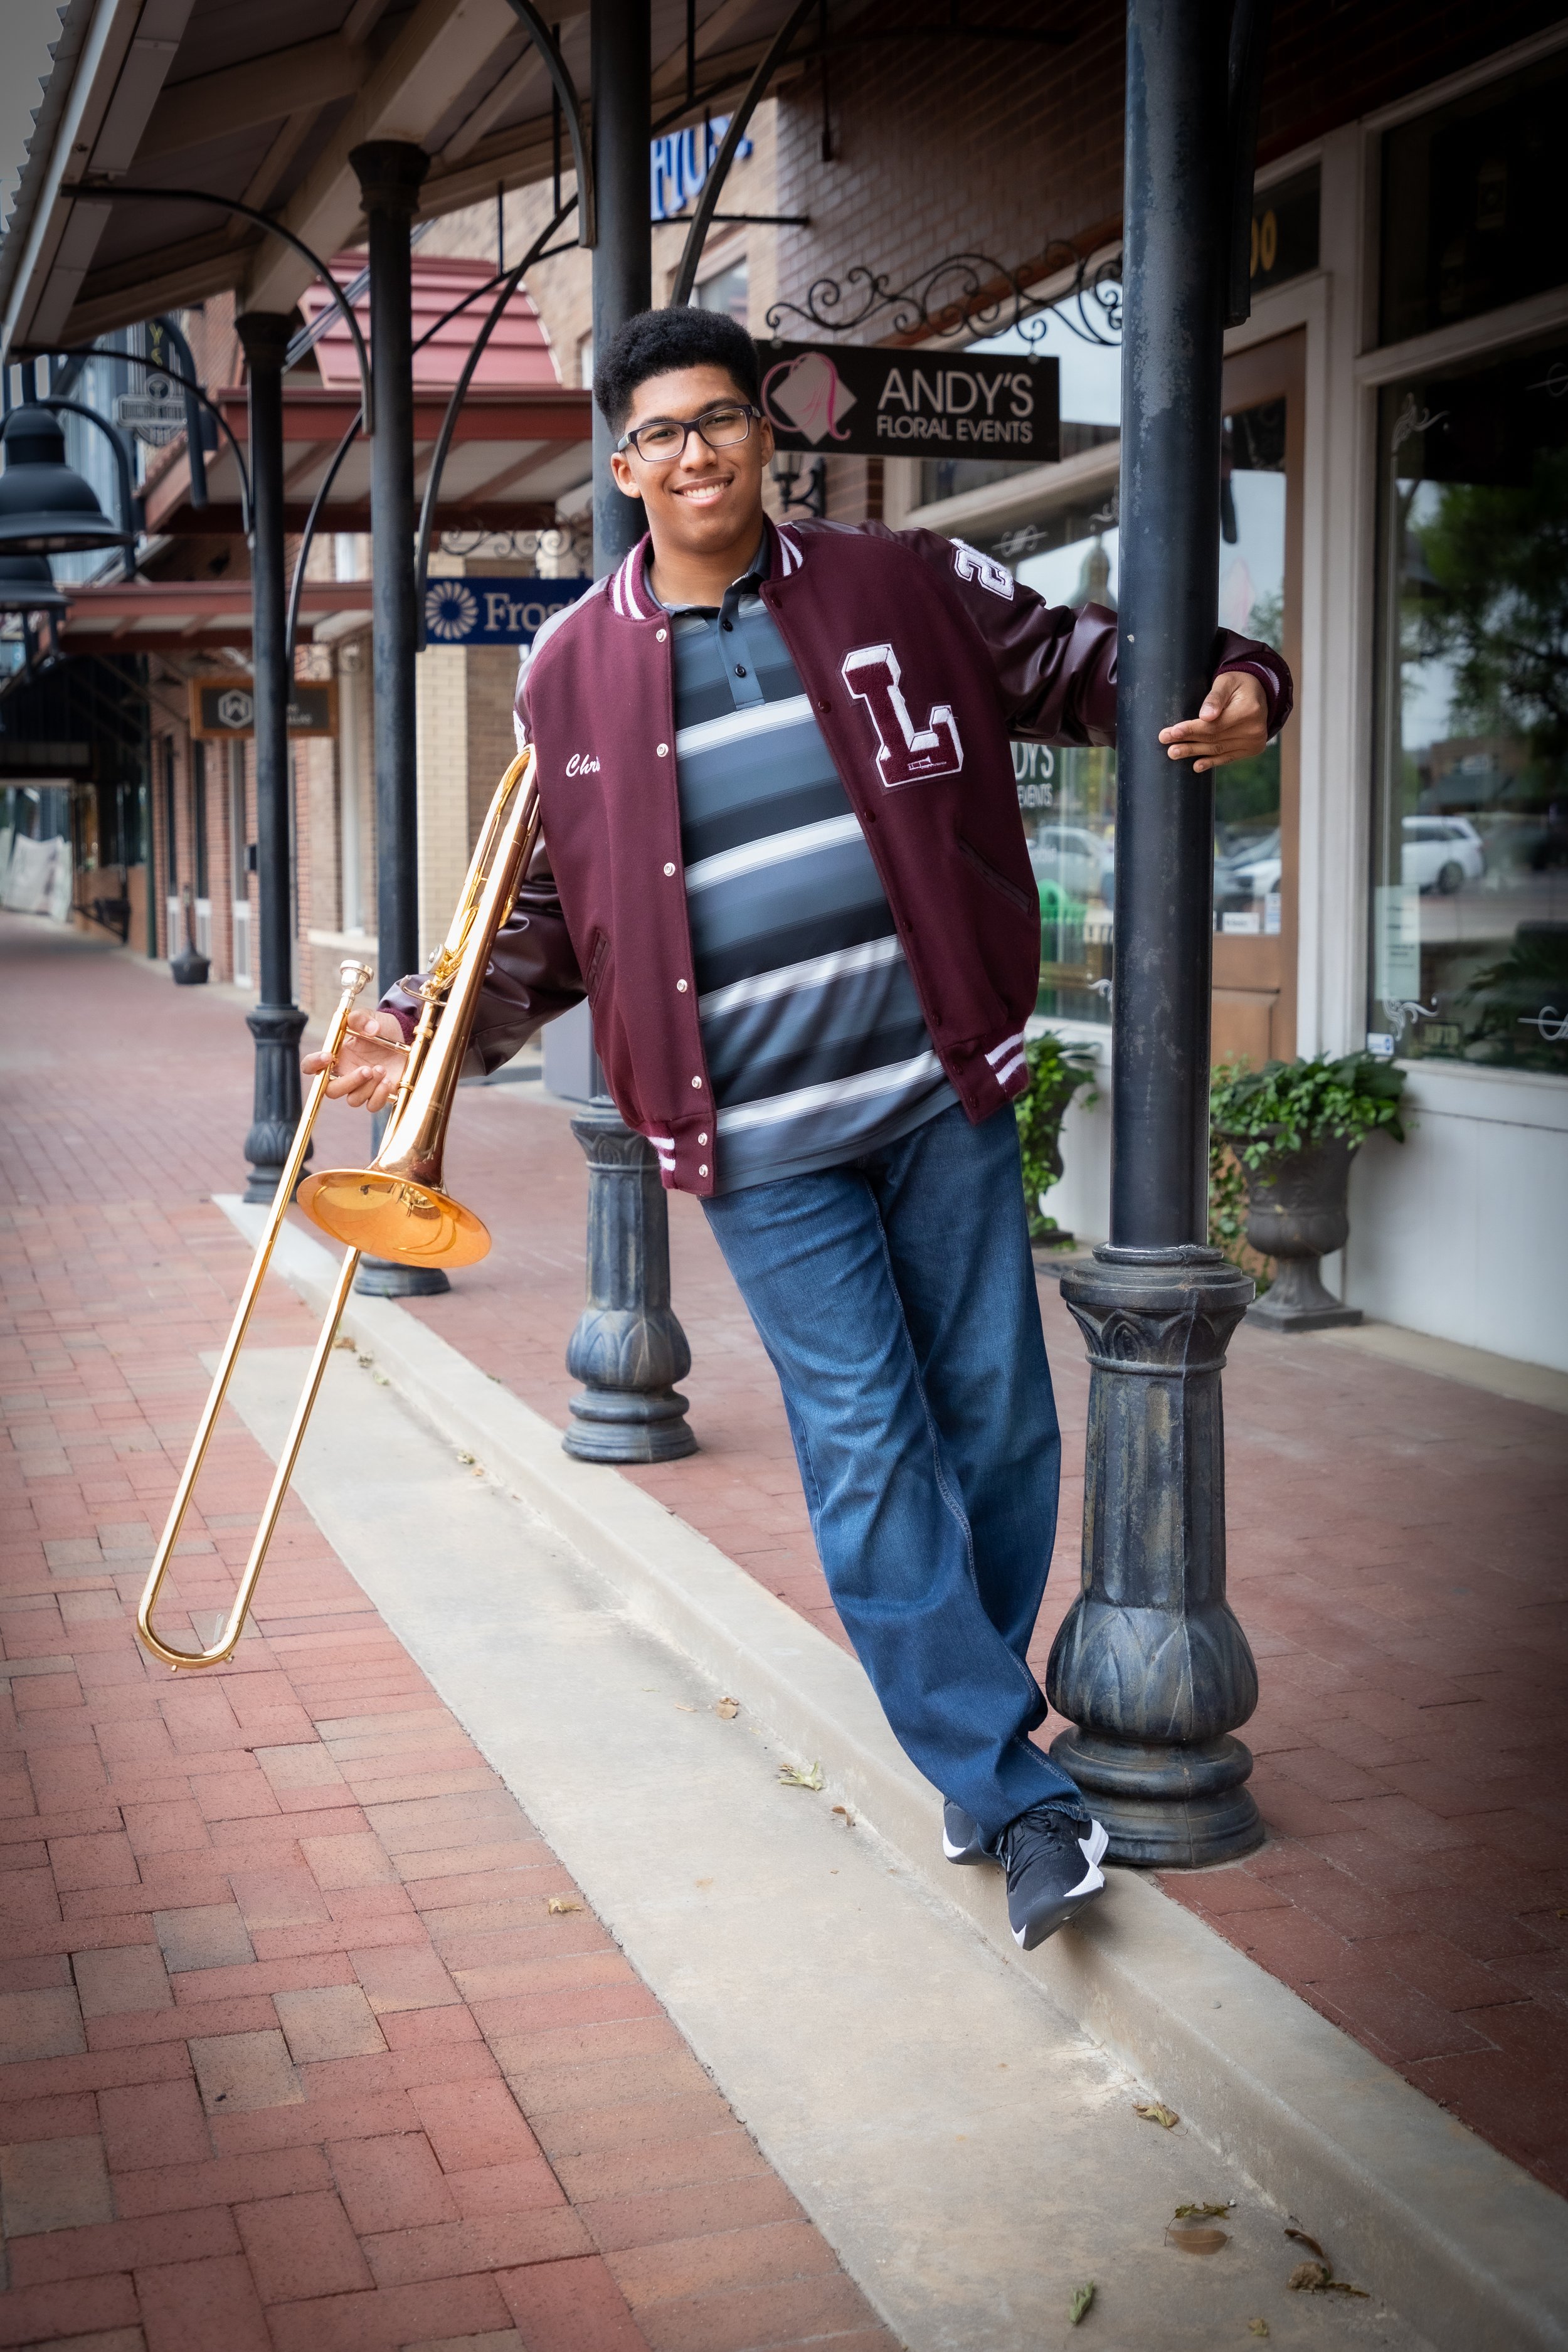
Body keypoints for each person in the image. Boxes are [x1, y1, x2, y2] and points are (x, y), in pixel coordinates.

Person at [308, 306, 1291, 1951]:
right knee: (863, 1445)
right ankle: (1008, 1781)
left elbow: (1077, 662)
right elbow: (549, 915)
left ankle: (973, 1742)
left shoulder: (902, 582)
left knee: (991, 1424)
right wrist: (417, 1029)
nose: (694, 454)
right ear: (620, 468)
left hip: (938, 1089)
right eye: (660, 436)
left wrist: (1237, 675)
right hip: (754, 1134)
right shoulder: (571, 671)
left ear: (767, 432)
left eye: (720, 420)